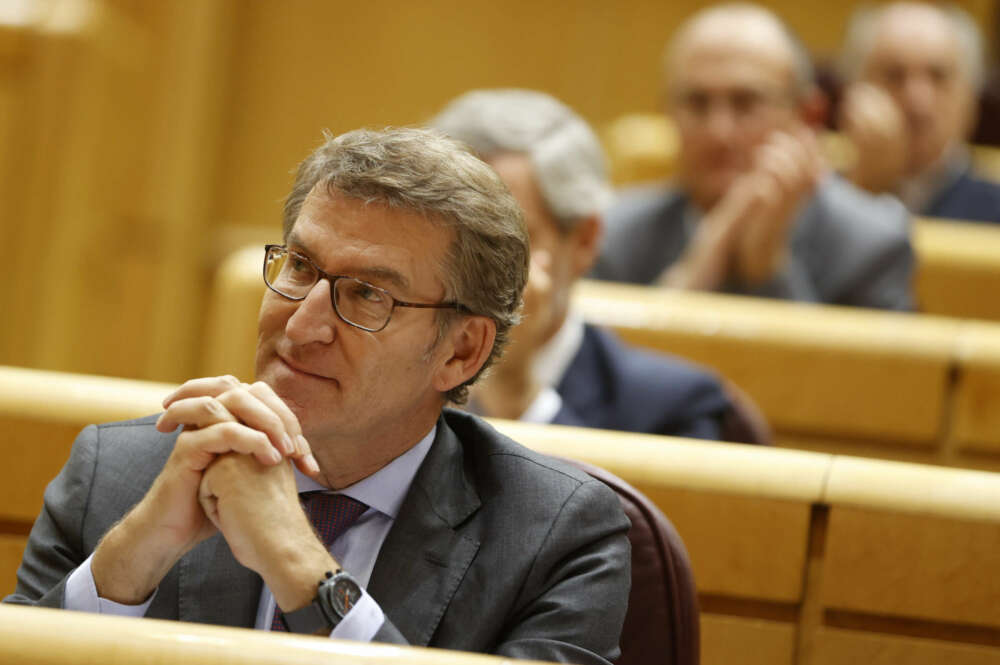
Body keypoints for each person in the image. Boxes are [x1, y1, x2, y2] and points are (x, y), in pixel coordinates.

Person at [6, 128, 631, 664]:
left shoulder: (556, 538)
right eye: (300, 267)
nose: (302, 326)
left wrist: (301, 566)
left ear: (461, 351)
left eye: (367, 295)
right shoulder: (118, 476)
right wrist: (126, 568)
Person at [432, 88, 766, 442]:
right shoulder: (388, 368)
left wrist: (516, 390)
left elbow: (610, 499)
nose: (465, 273)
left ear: (584, 241)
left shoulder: (674, 406)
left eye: (501, 243)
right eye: (448, 243)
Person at [593, 3, 915, 310]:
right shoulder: (614, 234)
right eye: (696, 102)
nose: (719, 131)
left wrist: (769, 269)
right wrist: (694, 271)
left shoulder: (873, 244)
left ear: (808, 115)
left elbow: (867, 369)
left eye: (746, 103)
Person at [839, 2, 1000, 223]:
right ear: (854, 91)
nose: (918, 101)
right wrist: (864, 187)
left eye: (939, 76)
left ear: (970, 98)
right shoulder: (805, 201)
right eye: (894, 75)